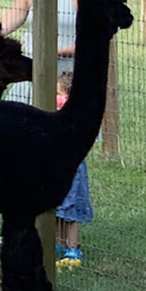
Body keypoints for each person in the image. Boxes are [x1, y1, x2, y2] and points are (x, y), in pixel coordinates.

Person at [54, 71, 93, 260]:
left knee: (70, 211)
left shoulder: (71, 109)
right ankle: (59, 244)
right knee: (57, 208)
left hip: (71, 165)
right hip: (57, 162)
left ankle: (72, 247)